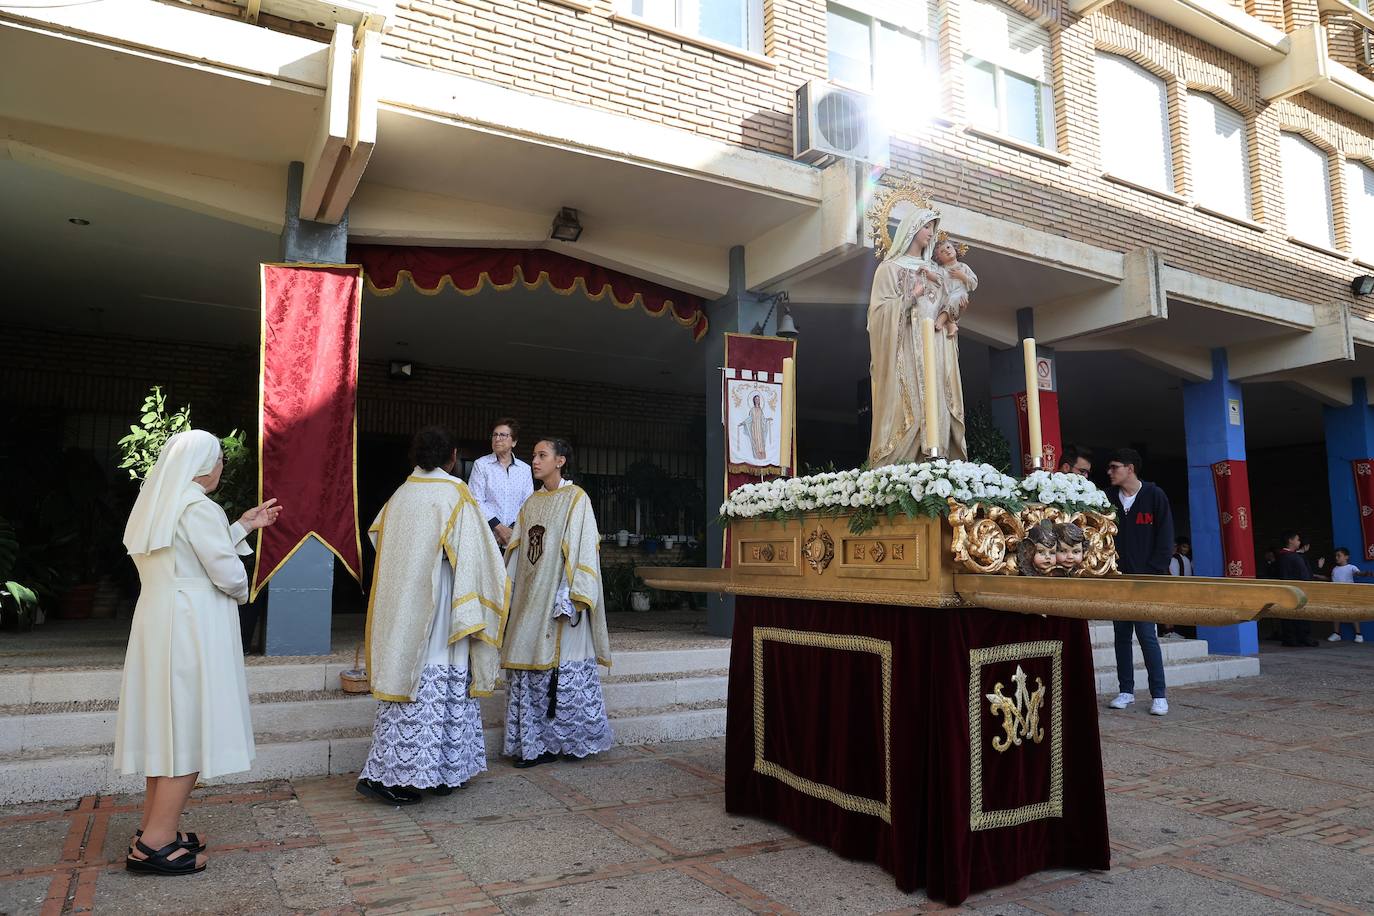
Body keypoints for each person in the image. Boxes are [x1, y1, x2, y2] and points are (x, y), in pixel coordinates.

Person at [114, 430, 283, 875]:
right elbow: (224, 573)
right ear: (204, 465)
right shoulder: (198, 507)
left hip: (158, 620)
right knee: (186, 726)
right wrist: (245, 589)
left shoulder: (158, 505)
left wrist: (243, 525)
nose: (221, 468)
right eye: (219, 460)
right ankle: (155, 843)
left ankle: (154, 826)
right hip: (191, 625)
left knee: (164, 728)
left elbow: (185, 554)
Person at [357, 426, 509, 805]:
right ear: (452, 456)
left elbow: (377, 536)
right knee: (438, 683)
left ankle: (438, 771)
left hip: (403, 604)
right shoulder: (455, 493)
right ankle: (397, 776)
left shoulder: (401, 494)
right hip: (440, 601)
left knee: (408, 684)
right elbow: (477, 553)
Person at [501, 437, 614, 768]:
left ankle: (564, 741)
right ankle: (533, 745)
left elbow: (581, 548)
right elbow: (519, 550)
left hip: (561, 604)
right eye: (534, 455)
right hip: (529, 600)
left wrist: (569, 595)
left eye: (542, 455)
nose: (534, 461)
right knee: (528, 667)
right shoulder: (531, 503)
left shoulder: (576, 499)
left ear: (560, 461)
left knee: (559, 672)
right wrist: (509, 590)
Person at [867, 208, 967, 466]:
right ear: (912, 229)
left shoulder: (938, 271)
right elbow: (877, 316)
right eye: (927, 227)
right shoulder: (889, 269)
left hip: (936, 349)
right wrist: (910, 297)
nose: (931, 233)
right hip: (906, 353)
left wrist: (953, 309)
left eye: (933, 228)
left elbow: (953, 301)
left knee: (937, 404)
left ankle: (937, 455)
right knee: (910, 405)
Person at [1104, 448, 1173, 716]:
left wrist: (1152, 574)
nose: (1109, 472)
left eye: (1114, 467)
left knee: (1147, 635)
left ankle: (1158, 694)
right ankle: (1126, 691)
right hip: (1118, 579)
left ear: (1129, 468)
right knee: (1121, 635)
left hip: (1146, 580)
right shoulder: (1108, 498)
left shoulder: (1154, 496)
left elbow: (1165, 539)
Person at [467, 417, 534, 550]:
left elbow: (527, 503)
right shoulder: (481, 465)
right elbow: (475, 499)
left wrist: (512, 530)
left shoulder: (524, 469)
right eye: (495, 435)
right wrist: (499, 528)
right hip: (488, 536)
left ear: (514, 441)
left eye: (503, 435)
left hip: (515, 538)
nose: (497, 439)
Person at [1275, 531, 1317, 647]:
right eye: (1297, 539)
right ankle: (1303, 637)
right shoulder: (1294, 557)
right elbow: (1305, 575)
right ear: (1290, 540)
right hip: (1298, 590)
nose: (1299, 542)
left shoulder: (1281, 556)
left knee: (1287, 615)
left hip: (1284, 591)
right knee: (1300, 614)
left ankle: (1290, 638)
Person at [1327, 547, 1372, 641]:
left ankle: (1358, 634)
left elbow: (1358, 573)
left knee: (1353, 614)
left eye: (1339, 555)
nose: (1336, 557)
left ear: (1346, 557)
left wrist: (1365, 573)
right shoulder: (1334, 569)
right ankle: (1336, 634)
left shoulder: (1351, 567)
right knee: (1336, 614)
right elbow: (1330, 579)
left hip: (1349, 594)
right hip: (1336, 594)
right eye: (1335, 556)